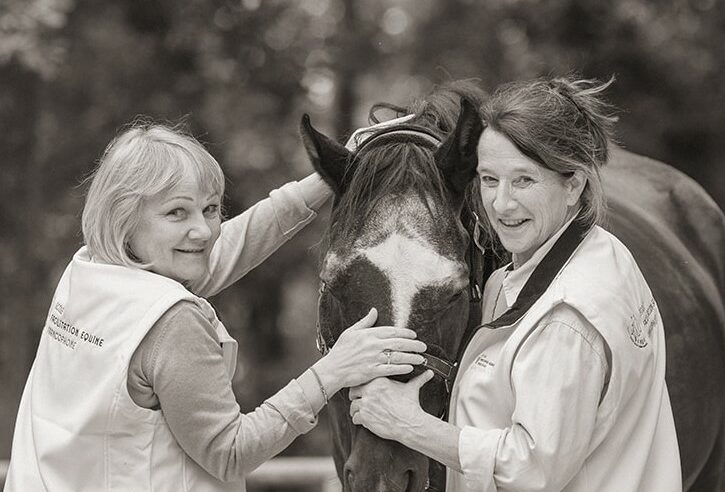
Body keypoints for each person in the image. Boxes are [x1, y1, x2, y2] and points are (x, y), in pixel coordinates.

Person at [4, 121, 428, 491]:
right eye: (176, 213)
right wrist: (331, 372)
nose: (202, 231)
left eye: (209, 209)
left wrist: (333, 173)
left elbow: (226, 247)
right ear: (125, 219)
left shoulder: (91, 273)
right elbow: (229, 453)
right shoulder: (171, 322)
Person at [346, 76, 682, 491]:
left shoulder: (567, 319)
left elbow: (532, 469)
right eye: (489, 180)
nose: (502, 204)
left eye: (523, 180)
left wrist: (408, 425)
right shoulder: (604, 252)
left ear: (573, 184)